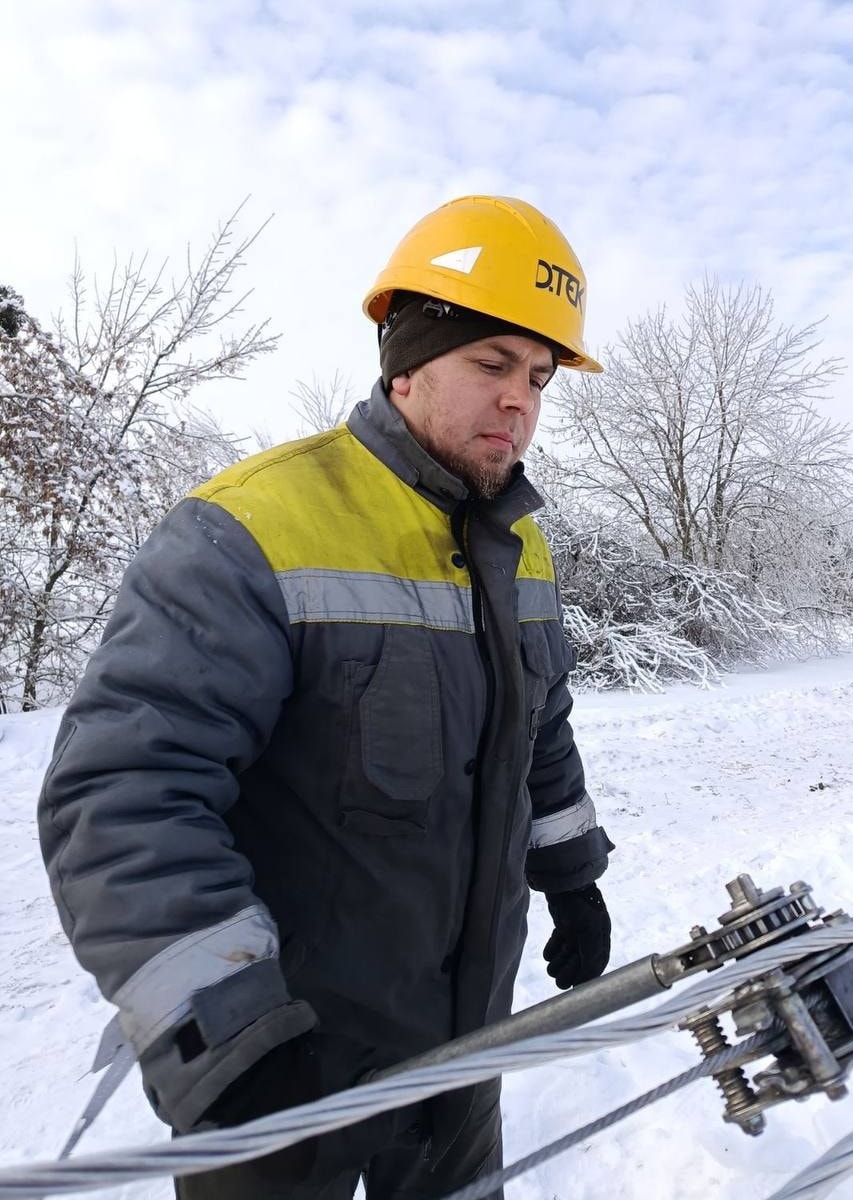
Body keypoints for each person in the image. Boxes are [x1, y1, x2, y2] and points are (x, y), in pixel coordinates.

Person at [38, 194, 614, 1199]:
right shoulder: (248, 531)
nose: (518, 402)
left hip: (464, 1041)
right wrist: (233, 1038)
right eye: (490, 363)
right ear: (406, 358)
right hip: (288, 1067)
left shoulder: (522, 546)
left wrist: (570, 875)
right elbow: (125, 795)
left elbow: (542, 735)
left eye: (537, 376)